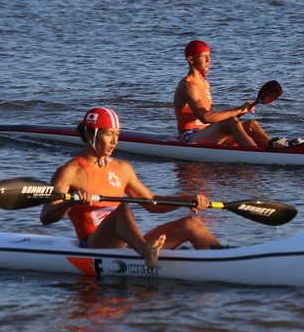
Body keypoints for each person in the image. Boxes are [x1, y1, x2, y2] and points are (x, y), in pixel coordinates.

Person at [40, 106, 222, 266]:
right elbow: (46, 216)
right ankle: (146, 253)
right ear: (89, 134)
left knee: (192, 224)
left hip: (128, 243)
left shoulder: (122, 168)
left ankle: (224, 259)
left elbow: (151, 202)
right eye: (108, 134)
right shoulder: (69, 172)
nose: (114, 141)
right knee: (122, 208)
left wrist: (187, 199)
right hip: (95, 244)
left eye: (117, 135)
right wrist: (70, 203)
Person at [174, 39, 290, 149]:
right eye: (204, 57)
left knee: (251, 124)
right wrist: (239, 110)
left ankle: (276, 149)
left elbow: (213, 119)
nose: (209, 60)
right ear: (191, 59)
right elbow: (205, 117)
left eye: (209, 56)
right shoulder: (187, 86)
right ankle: (255, 153)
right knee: (231, 122)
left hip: (207, 132)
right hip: (189, 137)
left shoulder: (205, 84)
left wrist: (242, 110)